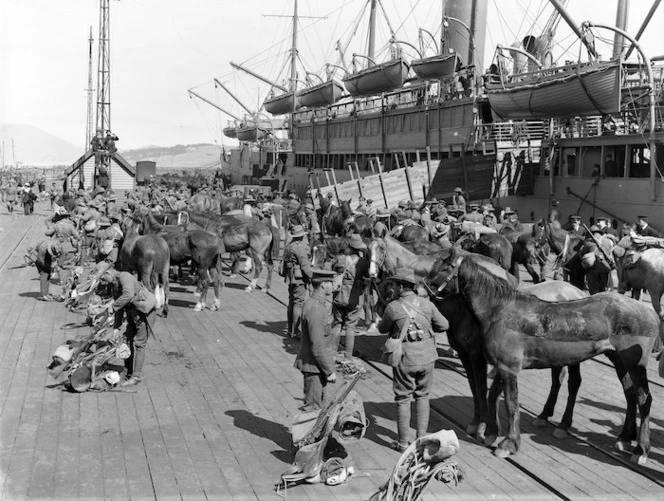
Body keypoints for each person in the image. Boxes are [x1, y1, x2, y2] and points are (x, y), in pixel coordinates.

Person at [378, 269, 449, 452]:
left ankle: (402, 443)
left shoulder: (393, 307)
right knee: (423, 396)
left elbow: (381, 328)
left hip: (406, 359)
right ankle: (421, 439)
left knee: (403, 399)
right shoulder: (427, 304)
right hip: (427, 357)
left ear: (401, 286)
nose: (392, 288)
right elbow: (444, 325)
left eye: (393, 285)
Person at [99, 268, 156, 387]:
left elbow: (128, 295)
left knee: (140, 344)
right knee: (126, 340)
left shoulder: (125, 277)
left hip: (144, 315)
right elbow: (119, 308)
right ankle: (127, 371)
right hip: (133, 316)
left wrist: (112, 306)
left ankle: (136, 376)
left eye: (105, 279)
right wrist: (116, 327)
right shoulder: (115, 285)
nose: (108, 283)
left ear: (108, 273)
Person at [293, 269, 339, 411]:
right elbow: (318, 345)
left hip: (317, 366)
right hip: (314, 367)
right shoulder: (316, 309)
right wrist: (330, 370)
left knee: (318, 405)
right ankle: (305, 433)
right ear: (324, 285)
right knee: (312, 407)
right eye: (331, 283)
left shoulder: (317, 304)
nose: (334, 286)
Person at [331, 234, 370, 359]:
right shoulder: (363, 262)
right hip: (355, 297)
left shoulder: (340, 259)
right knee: (350, 327)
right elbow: (369, 277)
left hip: (340, 295)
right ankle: (348, 355)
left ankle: (332, 352)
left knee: (337, 324)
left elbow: (332, 270)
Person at [282, 225, 314, 339]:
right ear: (301, 237)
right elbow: (304, 264)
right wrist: (312, 276)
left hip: (290, 278)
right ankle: (296, 331)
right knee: (298, 303)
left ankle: (290, 329)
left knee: (291, 302)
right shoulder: (299, 248)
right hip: (299, 278)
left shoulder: (288, 246)